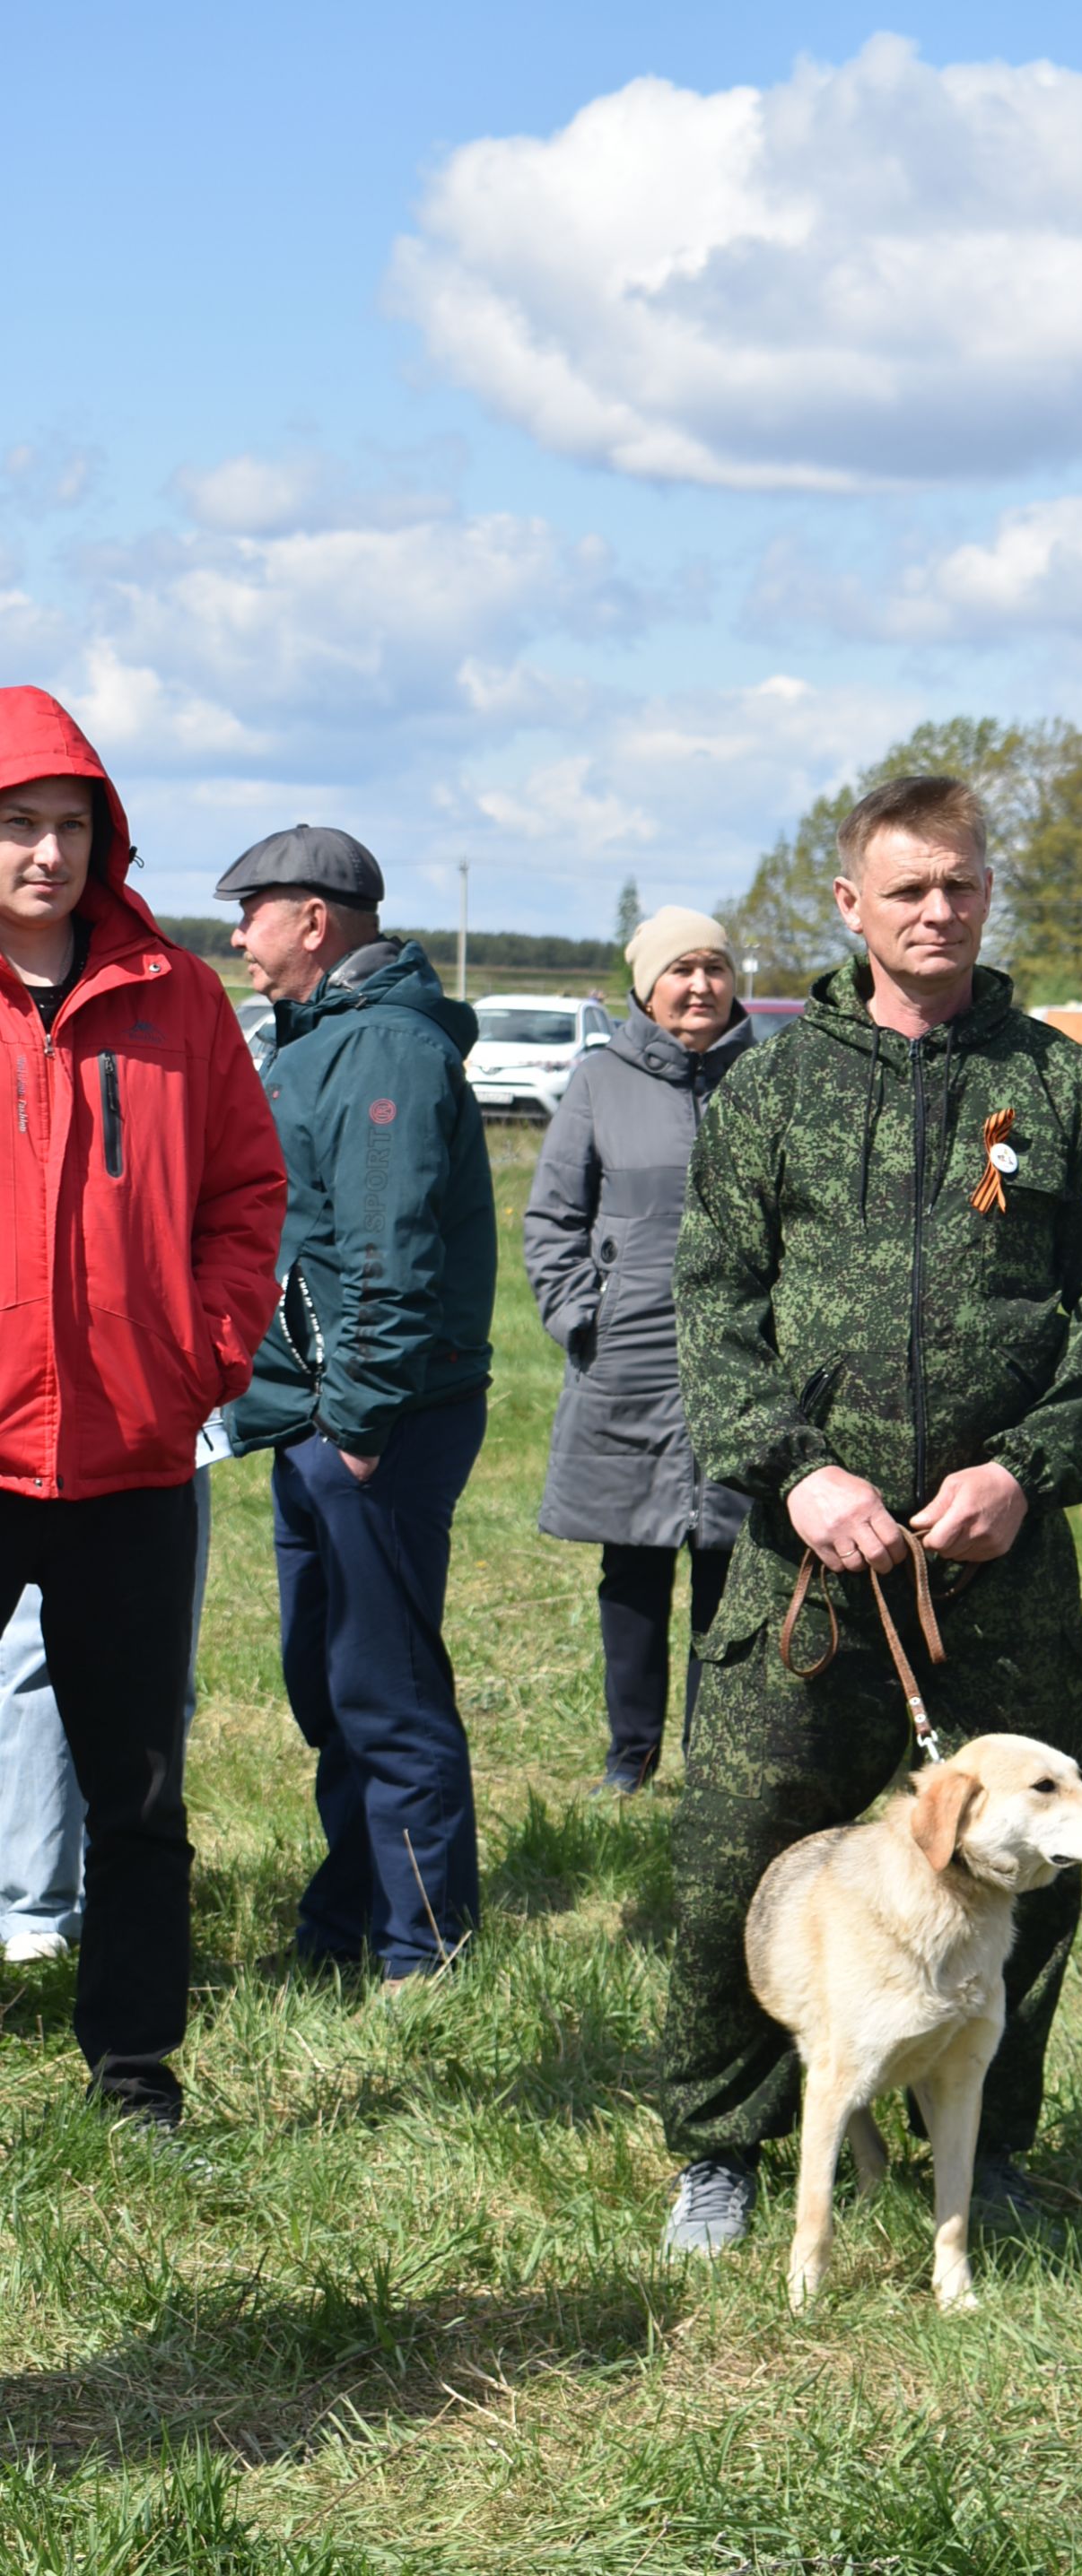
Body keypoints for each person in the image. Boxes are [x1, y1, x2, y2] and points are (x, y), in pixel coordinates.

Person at [658, 772, 1082, 2254]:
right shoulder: (773, 1086)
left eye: (964, 884)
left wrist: (1030, 1467)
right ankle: (724, 2150)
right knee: (745, 1846)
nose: (940, 910)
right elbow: (711, 1297)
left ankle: (984, 2145)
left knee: (1029, 1868)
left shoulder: (1060, 1085)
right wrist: (797, 1470)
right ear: (851, 903)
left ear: (989, 891)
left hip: (998, 1566)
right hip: (805, 1566)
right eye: (911, 887)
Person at [0, 687, 285, 2127]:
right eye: (19, 826)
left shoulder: (175, 998)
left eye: (70, 828)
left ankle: (133, 2068)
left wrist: (206, 1350)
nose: (46, 855)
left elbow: (245, 1187)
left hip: (129, 1451)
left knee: (139, 1786)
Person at [220, 827, 497, 1989]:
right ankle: (343, 1921)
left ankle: (422, 1955)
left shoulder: (382, 1049)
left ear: (316, 920)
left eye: (252, 913)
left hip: (373, 1422)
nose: (237, 936)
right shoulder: (319, 1039)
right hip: (322, 1414)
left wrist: (363, 1419)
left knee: (384, 1691)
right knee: (330, 1684)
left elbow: (388, 1253)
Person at [523, 908, 755, 1794]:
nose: (699, 986)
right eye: (681, 969)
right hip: (630, 1363)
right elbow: (554, 1218)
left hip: (740, 1365)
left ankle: (715, 1757)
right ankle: (631, 1756)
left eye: (714, 968)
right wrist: (587, 1315)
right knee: (633, 1566)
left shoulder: (767, 1077)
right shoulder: (599, 1080)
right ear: (647, 984)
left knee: (731, 1566)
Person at [0, 1463, 212, 1964]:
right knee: (36, 1668)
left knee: (155, 1682)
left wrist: (182, 1393)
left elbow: (227, 1379)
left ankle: (127, 1932)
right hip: (21, 1445)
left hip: (151, 1447)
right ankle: (37, 1908)